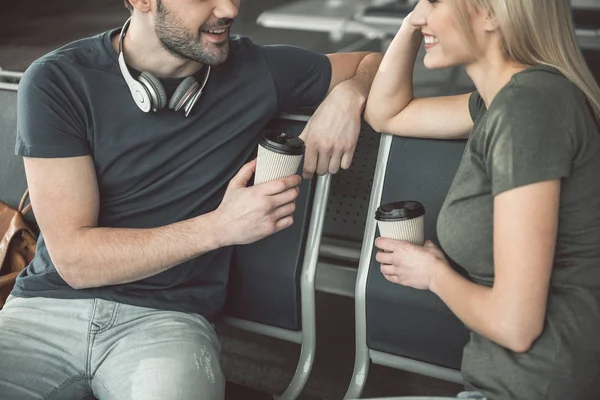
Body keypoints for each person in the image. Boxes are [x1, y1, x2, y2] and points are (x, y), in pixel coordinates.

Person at [0, 0, 383, 399]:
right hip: (44, 312)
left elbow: (374, 62)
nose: (230, 9)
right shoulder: (57, 80)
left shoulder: (257, 70)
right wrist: (220, 227)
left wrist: (348, 96)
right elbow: (76, 262)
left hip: (166, 322)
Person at [365, 0, 600, 399]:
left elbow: (515, 326)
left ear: (492, 13)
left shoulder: (530, 108)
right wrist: (411, 23)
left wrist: (433, 275)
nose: (422, 14)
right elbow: (386, 113)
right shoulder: (501, 103)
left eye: (435, 1)